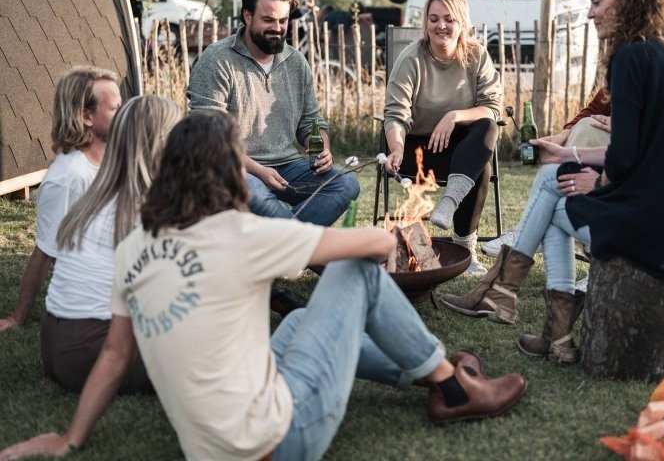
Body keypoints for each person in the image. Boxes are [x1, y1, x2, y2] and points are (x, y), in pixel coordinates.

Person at [0, 112, 527, 461]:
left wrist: (71, 438)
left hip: (213, 448)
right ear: (231, 170)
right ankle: (453, 387)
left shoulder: (135, 247)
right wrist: (385, 234)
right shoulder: (240, 232)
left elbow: (114, 356)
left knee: (299, 319)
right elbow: (369, 249)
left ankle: (432, 374)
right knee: (354, 273)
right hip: (280, 441)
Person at [441, 0, 664, 377]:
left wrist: (600, 178)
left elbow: (624, 159)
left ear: (629, 1)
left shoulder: (631, 58)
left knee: (550, 193)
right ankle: (549, 330)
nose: (589, 12)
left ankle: (510, 296)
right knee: (553, 180)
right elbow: (642, 149)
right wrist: (571, 155)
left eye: (598, 1)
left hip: (651, 220)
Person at [481, 0, 664, 259]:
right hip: (640, 165)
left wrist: (626, 129)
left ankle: (547, 241)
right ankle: (542, 251)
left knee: (560, 181)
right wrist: (564, 136)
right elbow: (595, 106)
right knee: (578, 136)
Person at [187, 0, 359, 226]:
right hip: (236, 168)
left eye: (283, 20)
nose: (277, 28)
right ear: (247, 17)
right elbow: (208, 139)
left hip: (288, 167)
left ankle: (285, 248)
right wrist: (257, 170)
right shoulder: (217, 60)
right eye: (268, 20)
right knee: (251, 189)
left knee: (346, 183)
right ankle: (305, 249)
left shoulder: (296, 62)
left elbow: (311, 121)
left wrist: (322, 148)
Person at [41, 95, 182, 393]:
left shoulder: (96, 194)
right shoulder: (144, 209)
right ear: (160, 144)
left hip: (54, 341)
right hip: (91, 351)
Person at [383, 0, 503, 275]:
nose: (441, 26)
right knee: (480, 165)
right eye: (434, 18)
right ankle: (456, 242)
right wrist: (396, 148)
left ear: (461, 22)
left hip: (459, 150)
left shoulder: (477, 56)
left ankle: (461, 240)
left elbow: (493, 107)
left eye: (449, 19)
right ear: (425, 22)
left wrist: (454, 116)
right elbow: (395, 115)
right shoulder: (411, 58)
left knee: (486, 129)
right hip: (416, 150)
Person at [0, 66, 121, 332]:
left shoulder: (112, 157)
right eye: (114, 109)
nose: (123, 114)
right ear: (87, 116)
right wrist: (17, 318)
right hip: (97, 294)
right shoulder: (67, 177)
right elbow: (44, 252)